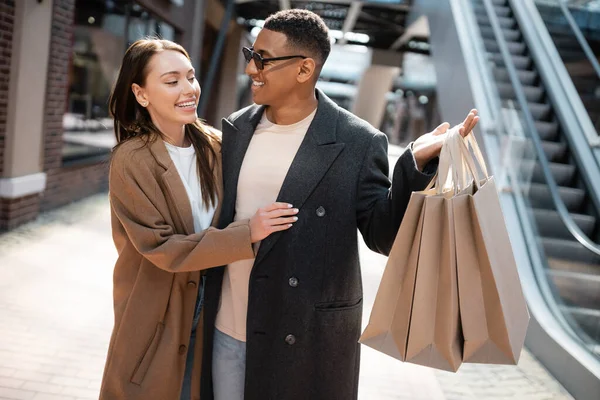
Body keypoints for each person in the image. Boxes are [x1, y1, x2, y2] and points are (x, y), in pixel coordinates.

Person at [199, 9, 480, 400]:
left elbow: (382, 236)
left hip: (303, 338)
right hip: (228, 329)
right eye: (251, 53)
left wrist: (414, 163)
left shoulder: (357, 141)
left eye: (262, 58)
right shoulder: (236, 129)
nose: (250, 69)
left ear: (304, 69)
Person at [98, 38, 299, 400]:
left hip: (215, 313)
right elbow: (162, 248)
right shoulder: (132, 160)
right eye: (172, 81)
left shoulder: (217, 146)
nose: (189, 89)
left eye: (190, 77)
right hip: (156, 315)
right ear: (141, 94)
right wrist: (247, 233)